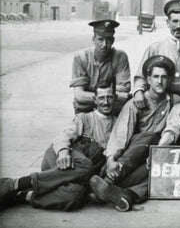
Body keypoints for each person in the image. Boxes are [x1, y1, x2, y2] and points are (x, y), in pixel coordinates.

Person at [0, 80, 117, 210]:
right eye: (101, 98)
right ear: (95, 99)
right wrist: (63, 152)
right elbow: (65, 134)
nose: (105, 102)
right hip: (59, 158)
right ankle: (16, 184)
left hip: (76, 174)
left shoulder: (119, 125)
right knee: (86, 165)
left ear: (115, 98)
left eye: (109, 97)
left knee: (75, 196)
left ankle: (21, 195)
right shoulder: (84, 118)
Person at [89, 55, 176, 212]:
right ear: (148, 79)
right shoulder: (135, 103)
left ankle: (125, 195)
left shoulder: (175, 101)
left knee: (161, 174)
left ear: (169, 80)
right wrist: (111, 160)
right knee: (150, 137)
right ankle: (109, 178)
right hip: (130, 159)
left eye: (164, 77)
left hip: (150, 160)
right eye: (156, 77)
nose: (160, 81)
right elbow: (121, 133)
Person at [132, 0, 180, 105]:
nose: (179, 26)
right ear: (168, 23)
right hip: (160, 101)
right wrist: (138, 92)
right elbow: (141, 77)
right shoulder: (155, 48)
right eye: (175, 21)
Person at [70, 19, 131, 115]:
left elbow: (124, 88)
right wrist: (114, 95)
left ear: (113, 40)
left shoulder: (120, 57)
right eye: (100, 39)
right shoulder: (81, 58)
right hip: (86, 110)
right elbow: (79, 96)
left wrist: (91, 92)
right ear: (93, 39)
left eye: (108, 40)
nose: (104, 45)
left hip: (110, 110)